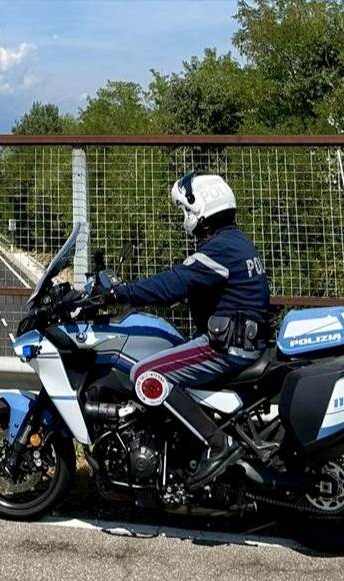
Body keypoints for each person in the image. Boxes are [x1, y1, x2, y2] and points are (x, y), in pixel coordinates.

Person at [110, 172, 270, 488]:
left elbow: (172, 284)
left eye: (185, 209)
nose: (184, 217)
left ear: (201, 208)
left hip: (225, 349)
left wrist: (119, 293)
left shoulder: (219, 250)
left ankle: (217, 445)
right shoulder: (236, 241)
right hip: (243, 344)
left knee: (146, 374)